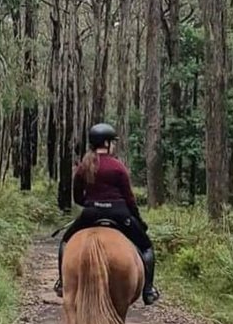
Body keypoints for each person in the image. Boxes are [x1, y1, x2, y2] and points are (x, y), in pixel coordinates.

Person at [55, 123, 160, 305]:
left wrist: (90, 204)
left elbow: (78, 197)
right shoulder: (118, 167)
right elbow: (129, 199)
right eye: (112, 142)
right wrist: (137, 219)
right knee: (146, 247)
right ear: (106, 143)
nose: (114, 145)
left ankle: (63, 282)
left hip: (91, 213)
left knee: (65, 242)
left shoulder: (84, 166)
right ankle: (148, 290)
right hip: (119, 213)